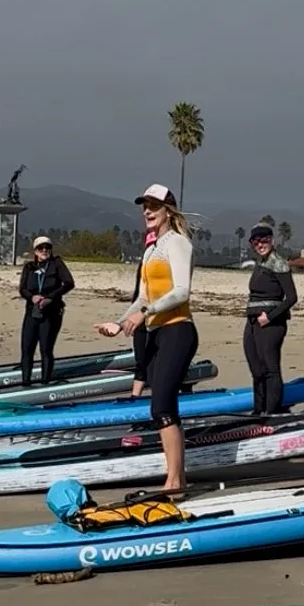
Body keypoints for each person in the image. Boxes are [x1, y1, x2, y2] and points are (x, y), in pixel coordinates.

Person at [97, 184, 196, 493]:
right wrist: (119, 322)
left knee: (162, 405)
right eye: (144, 206)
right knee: (163, 408)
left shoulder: (177, 244)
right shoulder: (151, 249)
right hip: (155, 334)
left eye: (154, 206)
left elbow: (181, 291)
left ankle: (174, 482)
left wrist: (146, 312)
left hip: (177, 330)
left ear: (169, 210)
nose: (147, 211)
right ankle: (177, 478)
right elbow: (141, 296)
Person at [244, 221, 297, 414]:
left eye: (264, 239)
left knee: (270, 369)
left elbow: (291, 297)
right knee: (256, 369)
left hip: (271, 325)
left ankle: (272, 412)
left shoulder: (278, 263)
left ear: (272, 240)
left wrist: (271, 317)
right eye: (255, 241)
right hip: (252, 322)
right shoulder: (261, 263)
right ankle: (258, 411)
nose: (260, 244)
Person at [18, 235, 75, 387]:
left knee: (46, 349)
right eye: (41, 248)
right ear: (35, 251)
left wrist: (51, 297)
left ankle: (45, 383)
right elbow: (22, 289)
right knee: (27, 348)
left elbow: (69, 283)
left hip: (51, 313)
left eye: (47, 248)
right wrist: (32, 297)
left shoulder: (57, 264)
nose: (44, 250)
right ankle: (25, 381)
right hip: (32, 311)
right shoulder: (29, 267)